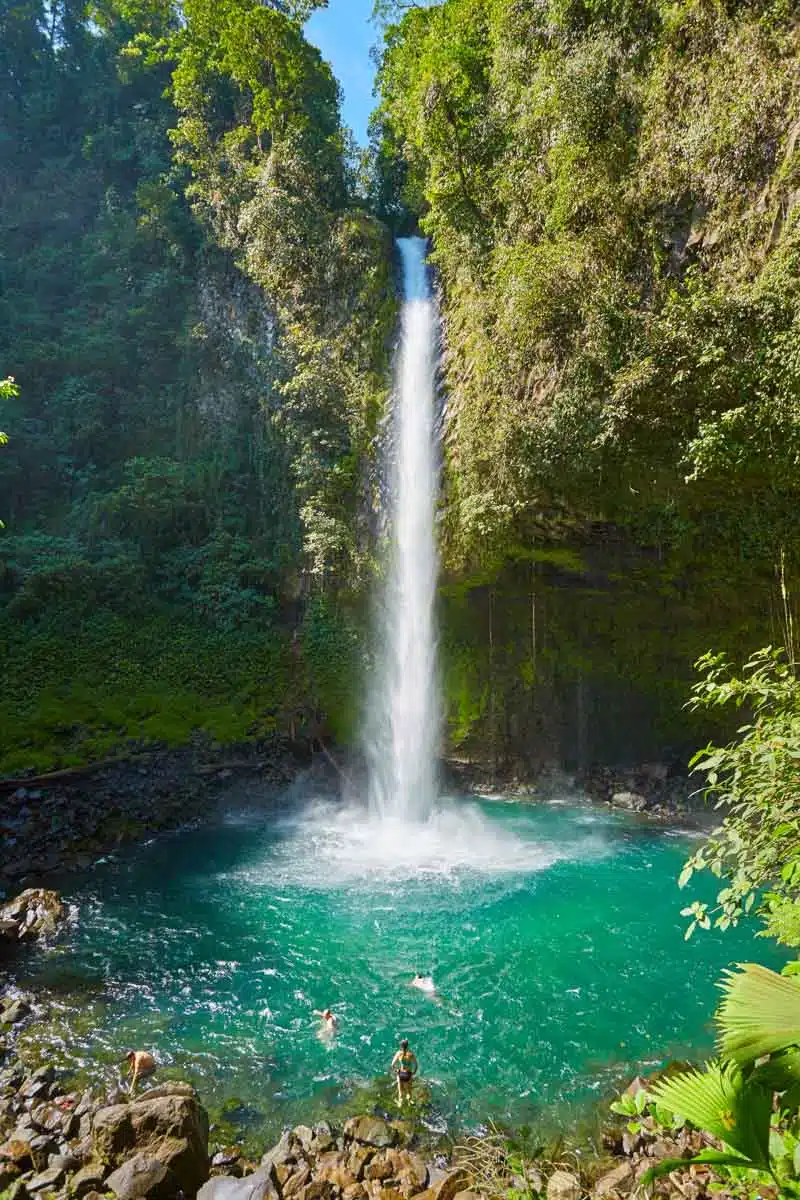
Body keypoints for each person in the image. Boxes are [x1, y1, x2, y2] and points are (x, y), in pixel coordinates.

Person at [391, 1038, 418, 1106]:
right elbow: (416, 1065)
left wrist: (396, 1071)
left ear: (401, 1046)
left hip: (401, 1074)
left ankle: (400, 1103)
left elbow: (392, 1065)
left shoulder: (399, 1053)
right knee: (409, 1091)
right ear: (407, 1046)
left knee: (400, 1092)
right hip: (408, 1074)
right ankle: (410, 1101)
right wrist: (413, 1073)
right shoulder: (411, 1054)